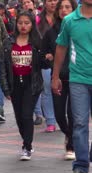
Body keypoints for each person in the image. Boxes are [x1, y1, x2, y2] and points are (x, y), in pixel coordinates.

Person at [52, 0, 92, 173]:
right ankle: (81, 167)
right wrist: (55, 76)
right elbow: (61, 48)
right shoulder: (70, 20)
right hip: (78, 80)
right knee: (80, 123)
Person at [0, 11, 46, 161]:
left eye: (27, 23)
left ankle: (27, 146)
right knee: (19, 117)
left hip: (31, 83)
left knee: (27, 115)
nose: (23, 26)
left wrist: (47, 58)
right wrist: (5, 87)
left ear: (32, 25)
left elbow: (43, 65)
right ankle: (27, 141)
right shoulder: (8, 42)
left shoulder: (37, 42)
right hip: (15, 84)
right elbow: (3, 67)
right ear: (16, 24)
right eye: (20, 23)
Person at [43, 0, 78, 160]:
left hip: (77, 77)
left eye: (68, 7)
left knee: (73, 113)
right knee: (58, 114)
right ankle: (69, 135)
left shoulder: (78, 28)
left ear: (74, 9)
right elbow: (43, 54)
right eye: (61, 7)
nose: (64, 10)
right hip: (58, 77)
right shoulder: (51, 32)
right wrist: (48, 58)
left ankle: (71, 145)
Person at [37, 0, 59, 132]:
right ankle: (50, 121)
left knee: (63, 91)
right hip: (45, 61)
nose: (53, 3)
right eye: (49, 0)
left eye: (55, 0)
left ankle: (63, 118)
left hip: (63, 61)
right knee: (46, 90)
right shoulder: (38, 19)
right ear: (45, 3)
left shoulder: (65, 18)